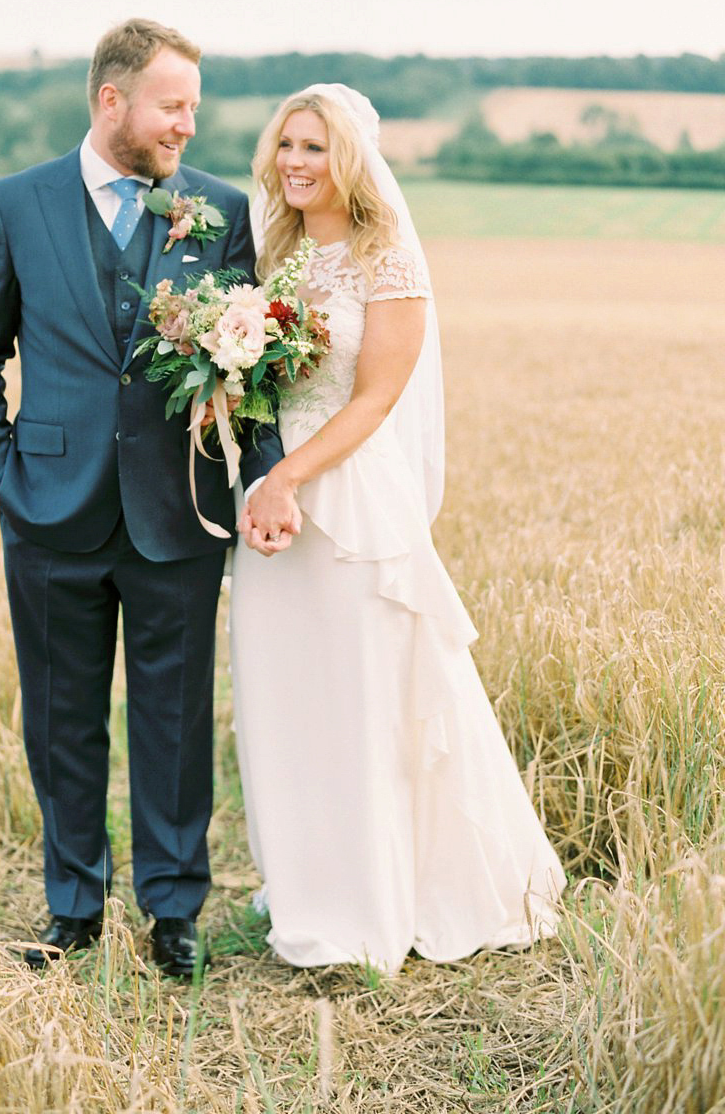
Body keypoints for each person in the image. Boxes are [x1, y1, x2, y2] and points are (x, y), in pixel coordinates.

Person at [0, 18, 285, 976]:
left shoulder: (219, 211)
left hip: (178, 509)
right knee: (60, 715)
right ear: (113, 102)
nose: (188, 124)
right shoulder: (16, 204)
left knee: (175, 718)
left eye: (193, 107)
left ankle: (173, 911)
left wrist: (256, 474)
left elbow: (250, 368)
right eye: (172, 105)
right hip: (47, 507)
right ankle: (74, 907)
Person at [232, 84, 566, 969]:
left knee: (365, 698)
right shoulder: (277, 254)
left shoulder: (391, 262)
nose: (296, 163)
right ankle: (309, 886)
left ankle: (377, 899)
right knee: (288, 698)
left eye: (315, 147)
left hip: (348, 507)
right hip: (273, 510)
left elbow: (377, 398)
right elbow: (262, 384)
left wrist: (287, 479)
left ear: (351, 160)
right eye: (287, 146)